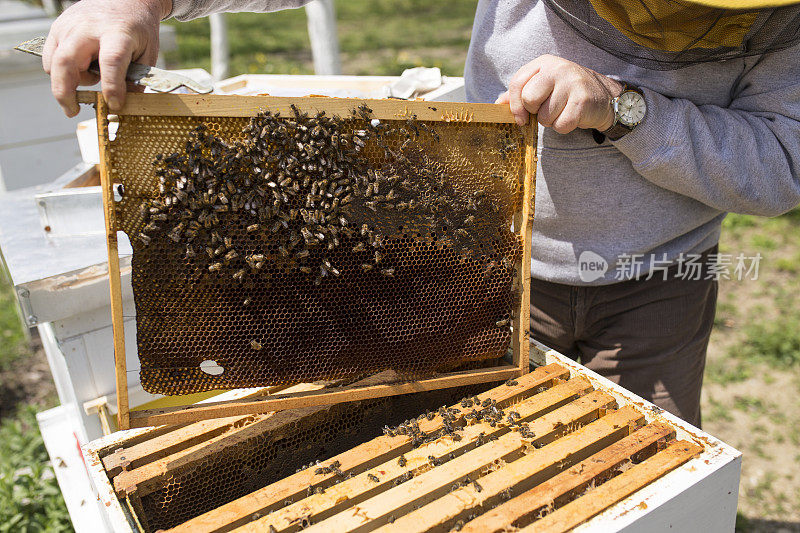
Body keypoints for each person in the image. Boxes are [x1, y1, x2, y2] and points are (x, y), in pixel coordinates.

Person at [43, 0, 800, 427]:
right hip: (480, 261)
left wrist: (629, 109)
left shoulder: (780, 21)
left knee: (640, 473)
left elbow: (782, 164)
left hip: (659, 282)